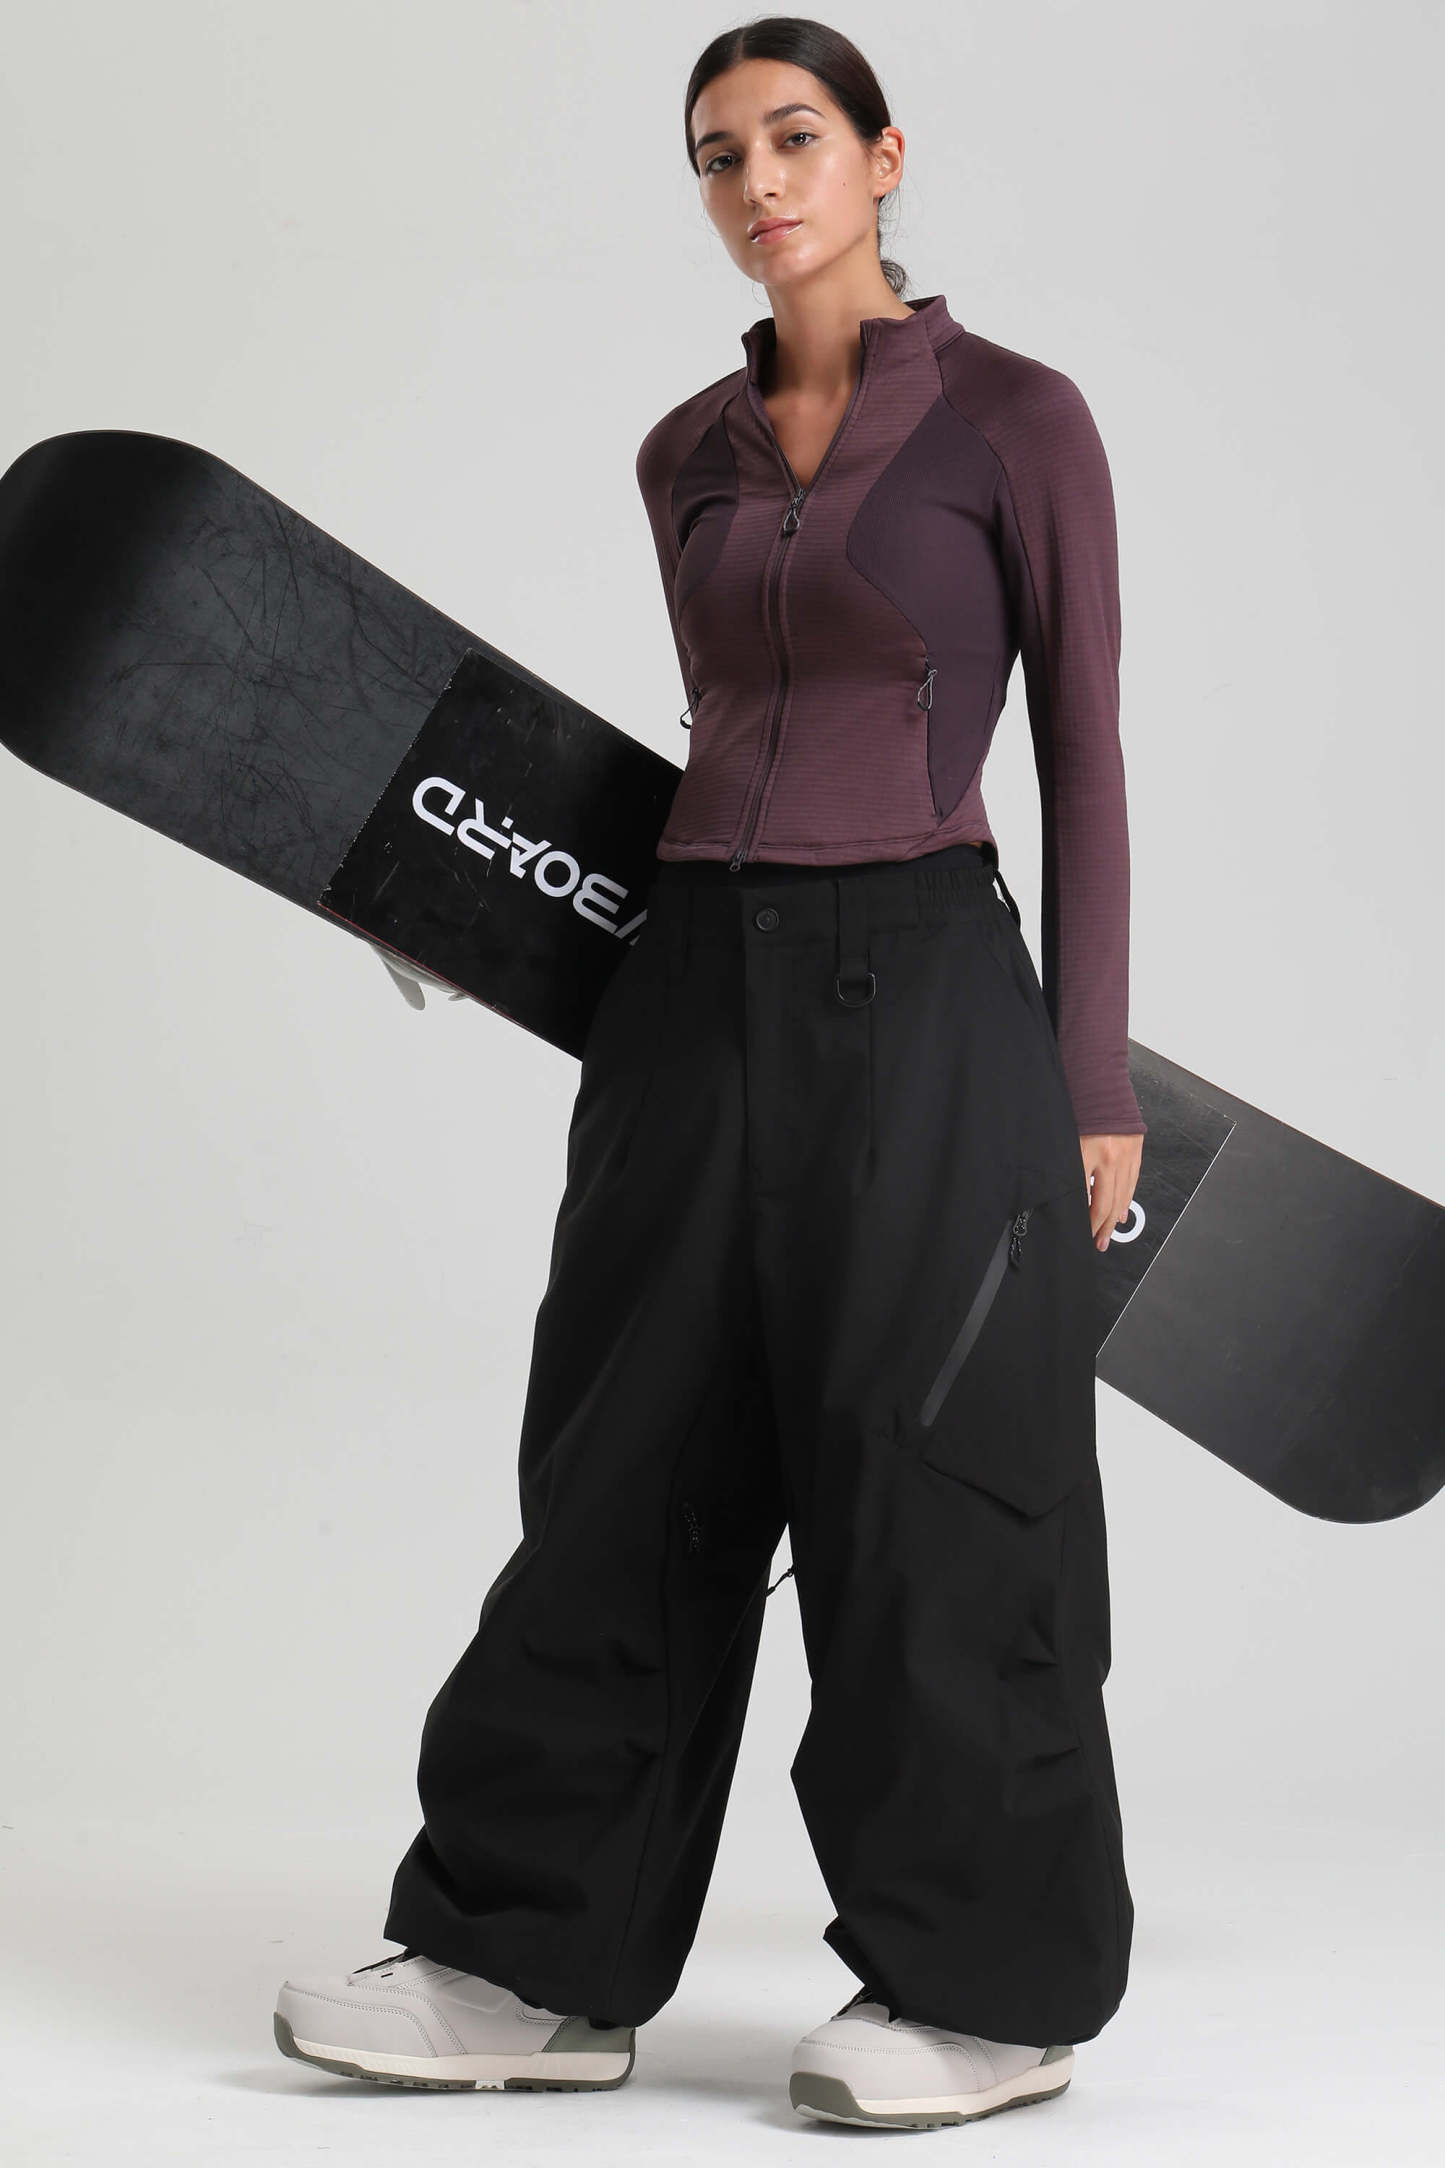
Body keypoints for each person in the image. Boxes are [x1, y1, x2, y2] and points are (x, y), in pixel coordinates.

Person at [273, 14, 1146, 2132]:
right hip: (688, 989)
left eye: (795, 138)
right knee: (622, 1456)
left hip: (924, 981)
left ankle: (985, 1989)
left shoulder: (1017, 420)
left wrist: (1090, 1075)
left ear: (882, 158)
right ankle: (527, 1959)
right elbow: (707, 746)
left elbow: (1085, 751)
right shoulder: (685, 448)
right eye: (718, 155)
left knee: (932, 1482)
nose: (757, 183)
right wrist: (466, 901)